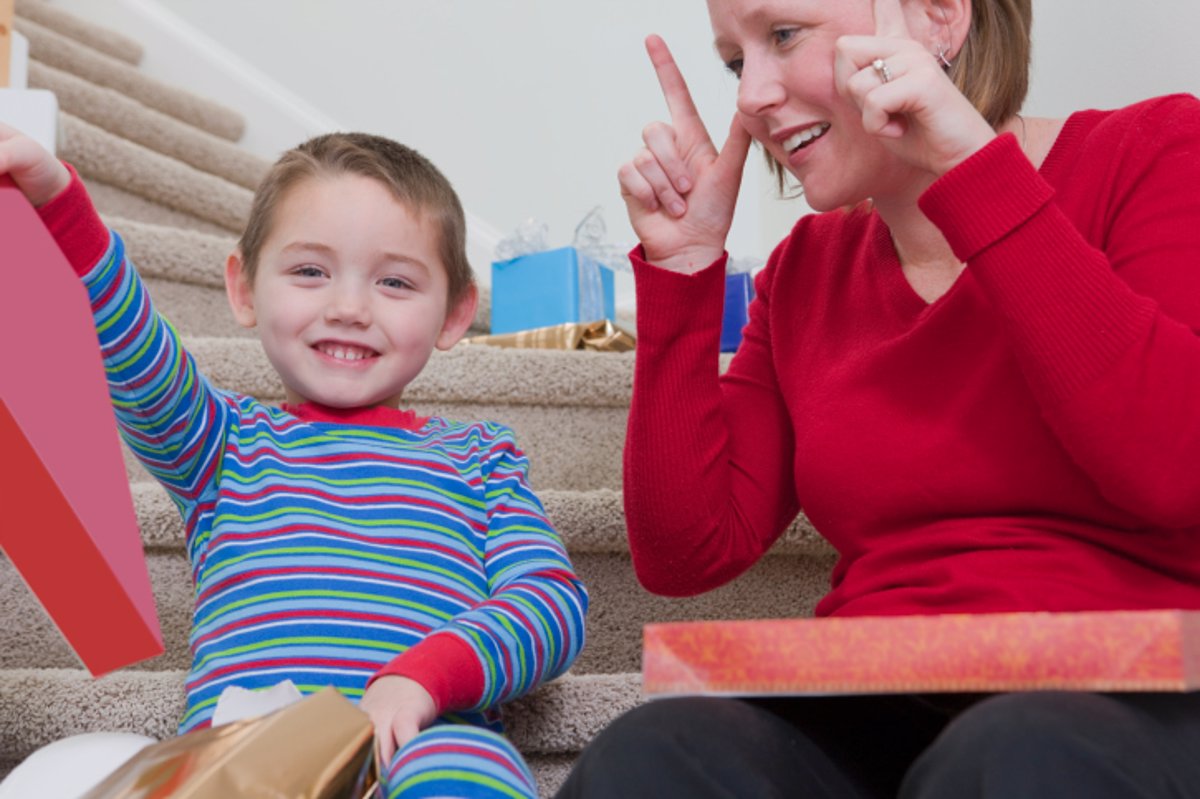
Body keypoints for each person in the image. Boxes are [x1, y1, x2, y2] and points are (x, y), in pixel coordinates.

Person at [557, 0, 1200, 796]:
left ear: (939, 15)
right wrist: (685, 271)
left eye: (783, 36)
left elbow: (1173, 468)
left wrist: (970, 171)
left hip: (1122, 703)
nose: (752, 95)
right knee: (654, 752)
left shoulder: (1156, 151)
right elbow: (685, 551)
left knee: (1016, 753)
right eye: (734, 62)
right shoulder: (806, 270)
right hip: (869, 702)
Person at [0, 126, 588, 799]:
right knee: (89, 769)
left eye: (395, 281)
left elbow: (550, 602)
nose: (348, 307)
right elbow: (138, 357)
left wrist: (427, 676)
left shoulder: (482, 457)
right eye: (310, 271)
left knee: (467, 759)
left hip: (422, 742)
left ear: (455, 314)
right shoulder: (221, 444)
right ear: (244, 289)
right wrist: (57, 202)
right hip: (250, 758)